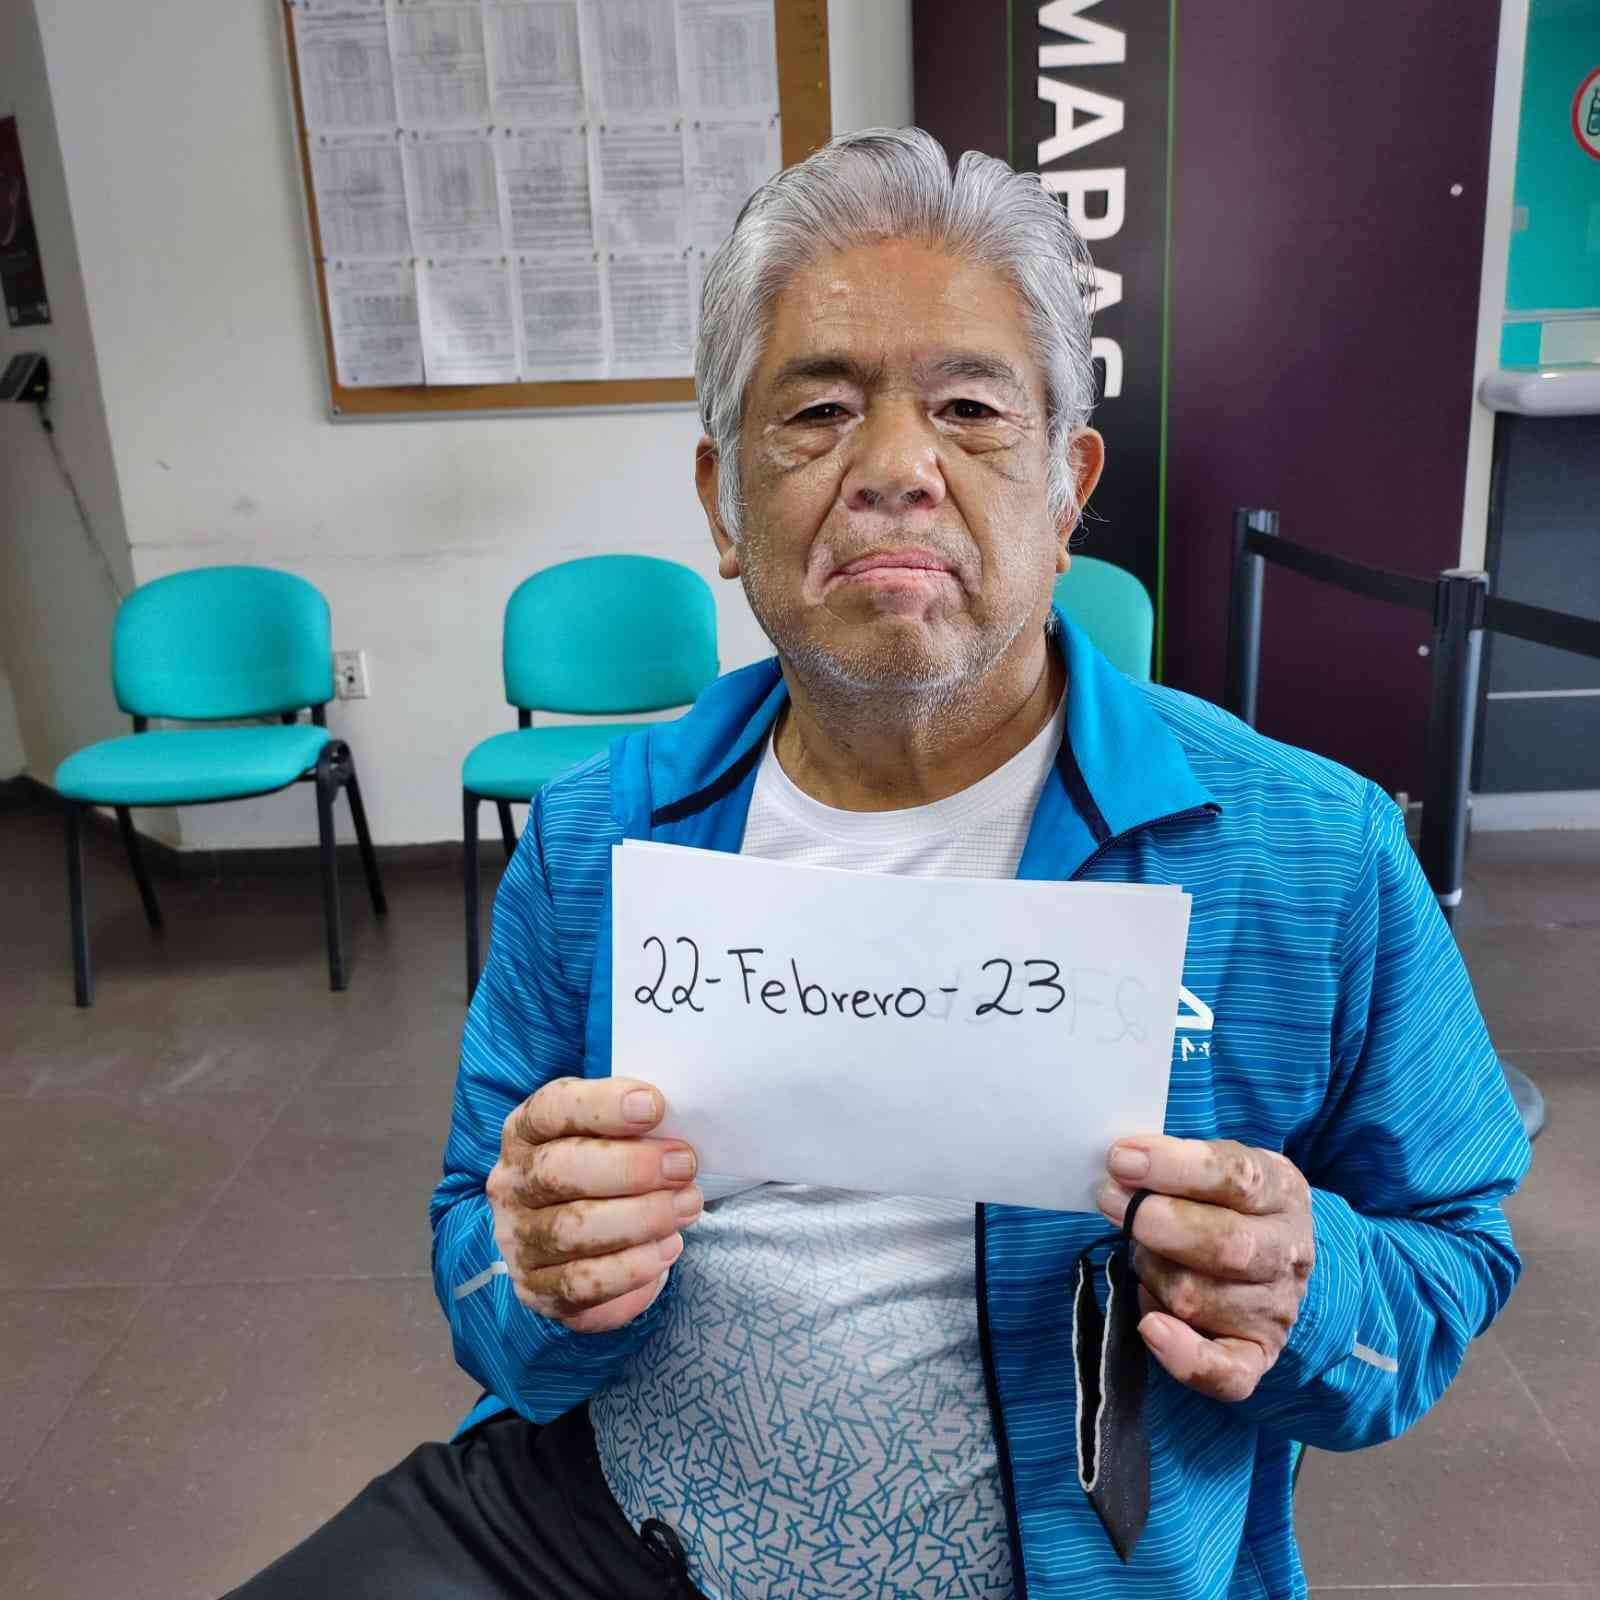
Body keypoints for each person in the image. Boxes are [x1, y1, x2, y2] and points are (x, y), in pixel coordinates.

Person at [229, 128, 1529, 1600]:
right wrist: (531, 1263)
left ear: (1066, 489)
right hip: (588, 1530)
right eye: (819, 411)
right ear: (724, 503)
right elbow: (477, 1252)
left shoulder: (1309, 853)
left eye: (970, 408)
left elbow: (1453, 1247)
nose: (897, 470)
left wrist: (1307, 1286)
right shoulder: (597, 841)